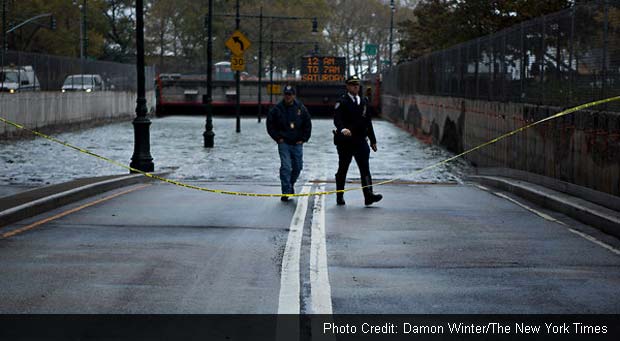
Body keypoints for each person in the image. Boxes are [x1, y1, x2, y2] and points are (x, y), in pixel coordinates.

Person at [333, 75, 382, 206]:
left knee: (365, 169)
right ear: (347, 86)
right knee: (343, 169)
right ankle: (340, 195)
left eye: (357, 85)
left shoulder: (364, 101)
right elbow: (337, 119)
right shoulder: (342, 101)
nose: (355, 87)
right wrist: (342, 128)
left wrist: (373, 140)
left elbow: (368, 122)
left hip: (361, 140)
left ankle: (369, 196)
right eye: (353, 84)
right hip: (346, 141)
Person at [267, 85, 312, 202]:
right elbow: (270, 125)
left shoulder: (301, 108)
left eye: (290, 94)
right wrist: (277, 138)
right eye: (286, 94)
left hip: (297, 142)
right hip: (284, 142)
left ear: (294, 95)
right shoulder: (277, 109)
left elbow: (307, 124)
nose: (288, 96)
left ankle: (290, 183)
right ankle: (286, 191)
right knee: (286, 167)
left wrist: (304, 138)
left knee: (298, 167)